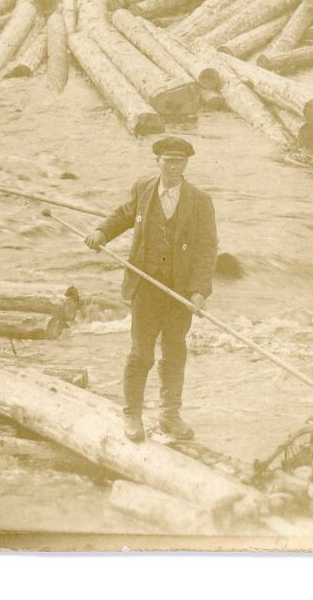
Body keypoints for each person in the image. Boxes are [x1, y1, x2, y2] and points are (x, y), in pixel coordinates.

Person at [83, 136, 218, 443]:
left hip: (179, 292)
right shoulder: (143, 188)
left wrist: (199, 291)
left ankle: (169, 417)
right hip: (145, 286)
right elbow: (123, 215)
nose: (173, 167)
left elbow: (207, 249)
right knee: (141, 352)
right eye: (167, 161)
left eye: (179, 161)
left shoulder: (200, 201)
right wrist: (102, 232)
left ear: (186, 164)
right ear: (157, 161)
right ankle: (132, 414)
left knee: (174, 353)